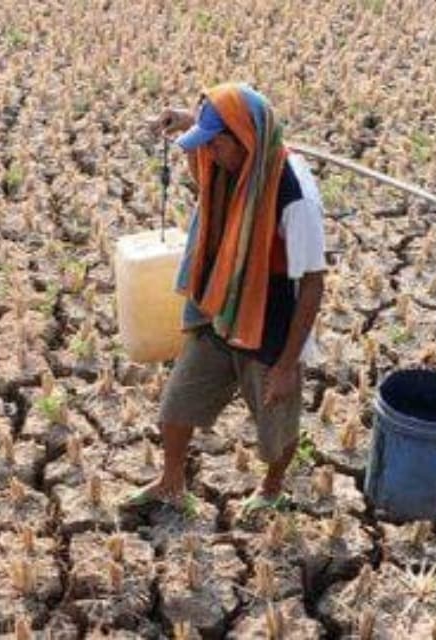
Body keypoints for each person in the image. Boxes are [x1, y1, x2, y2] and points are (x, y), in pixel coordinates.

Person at [124, 82, 327, 520]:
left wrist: (287, 364)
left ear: (245, 139)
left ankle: (272, 489)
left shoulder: (295, 195)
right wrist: (190, 122)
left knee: (276, 426)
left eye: (215, 144)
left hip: (270, 324)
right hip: (220, 308)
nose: (208, 155)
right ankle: (171, 483)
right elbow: (211, 138)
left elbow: (312, 283)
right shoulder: (233, 161)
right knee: (176, 407)